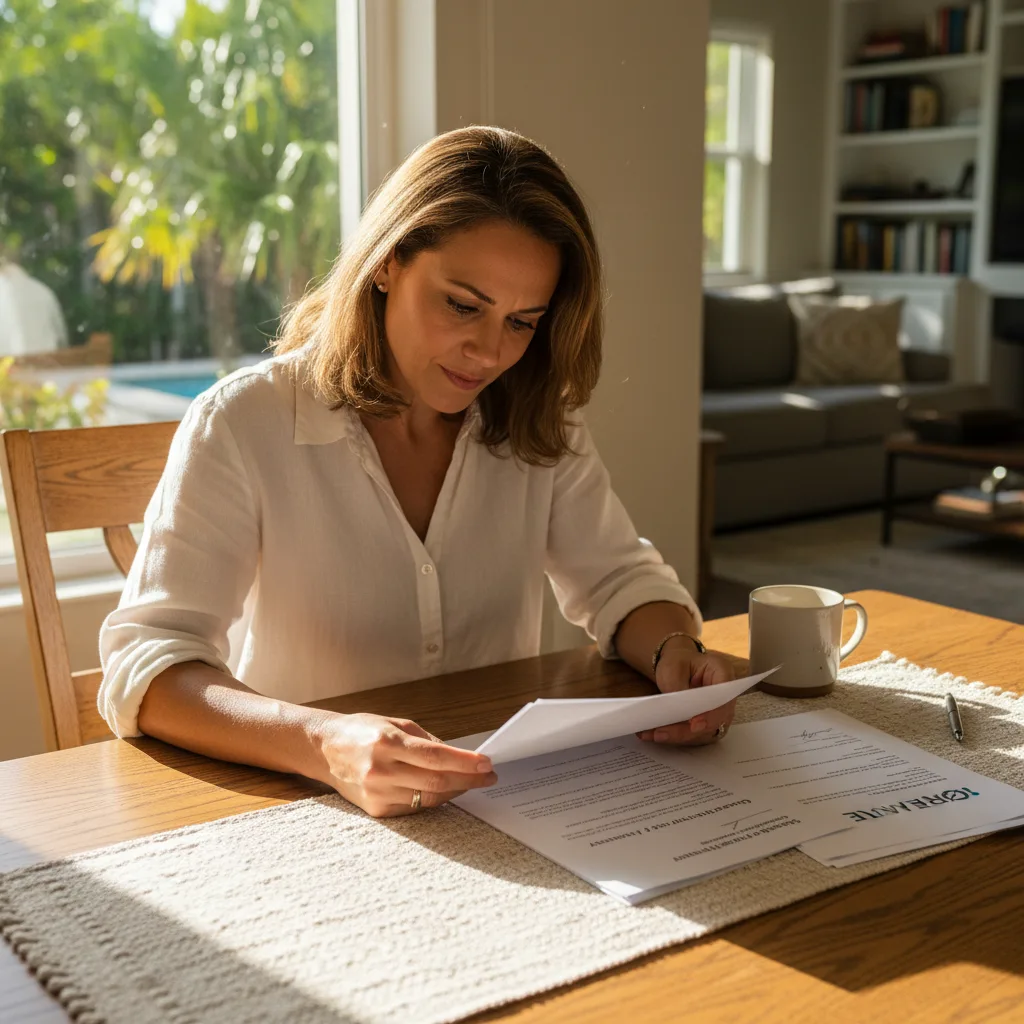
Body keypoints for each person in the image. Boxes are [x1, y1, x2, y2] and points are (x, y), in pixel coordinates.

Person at [98, 126, 737, 819]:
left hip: (497, 804)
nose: (489, 352)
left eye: (522, 322)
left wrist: (676, 648)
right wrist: (323, 741)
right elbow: (151, 664)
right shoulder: (243, 422)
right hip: (304, 810)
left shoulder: (536, 421)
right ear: (387, 263)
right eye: (463, 305)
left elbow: (620, 582)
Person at [0, 256, 68, 357]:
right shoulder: (43, 290)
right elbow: (62, 339)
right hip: (47, 365)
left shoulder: (4, 291)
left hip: (8, 368)